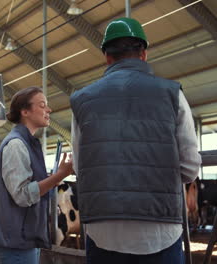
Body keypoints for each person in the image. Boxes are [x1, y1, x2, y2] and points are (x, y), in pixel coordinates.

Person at [70, 17, 202, 264]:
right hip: (159, 230)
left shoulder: (82, 100)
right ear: (144, 54)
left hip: (103, 232)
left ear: (107, 58)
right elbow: (190, 167)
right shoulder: (172, 93)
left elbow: (80, 167)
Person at [0, 86, 73, 264]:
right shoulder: (16, 145)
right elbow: (22, 195)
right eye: (42, 105)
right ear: (25, 111)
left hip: (23, 237)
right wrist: (59, 176)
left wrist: (52, 182)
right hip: (16, 241)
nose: (48, 109)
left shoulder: (27, 143)